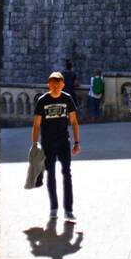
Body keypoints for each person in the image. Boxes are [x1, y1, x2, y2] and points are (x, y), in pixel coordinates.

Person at [31, 71, 80, 222]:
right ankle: (54, 208)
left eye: (58, 84)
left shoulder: (67, 98)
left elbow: (74, 121)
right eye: (53, 84)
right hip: (48, 143)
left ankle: (69, 210)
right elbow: (36, 124)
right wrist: (34, 145)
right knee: (51, 174)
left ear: (63, 85)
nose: (56, 86)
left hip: (63, 142)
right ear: (49, 85)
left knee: (67, 174)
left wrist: (77, 142)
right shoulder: (42, 100)